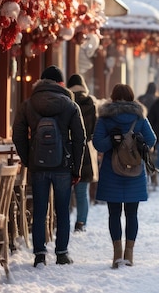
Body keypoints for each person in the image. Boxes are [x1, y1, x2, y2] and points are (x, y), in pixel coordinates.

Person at [12, 65, 86, 267]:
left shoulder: (28, 104)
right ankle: (61, 253)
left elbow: (17, 134)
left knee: (39, 210)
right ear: (61, 83)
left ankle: (39, 254)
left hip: (38, 165)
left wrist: (29, 159)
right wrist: (76, 168)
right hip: (63, 166)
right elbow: (80, 138)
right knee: (62, 210)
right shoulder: (70, 105)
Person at [93, 84, 157, 268]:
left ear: (112, 97)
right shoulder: (139, 117)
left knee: (114, 213)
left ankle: (116, 254)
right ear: (131, 97)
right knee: (132, 213)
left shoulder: (105, 118)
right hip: (134, 171)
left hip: (111, 171)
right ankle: (129, 254)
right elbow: (151, 140)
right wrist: (137, 142)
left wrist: (112, 141)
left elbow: (98, 144)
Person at [67, 73, 97, 233]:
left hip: (66, 149)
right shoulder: (90, 102)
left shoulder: (66, 100)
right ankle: (80, 223)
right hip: (85, 150)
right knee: (82, 191)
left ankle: (63, 220)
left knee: (65, 191)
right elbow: (93, 129)